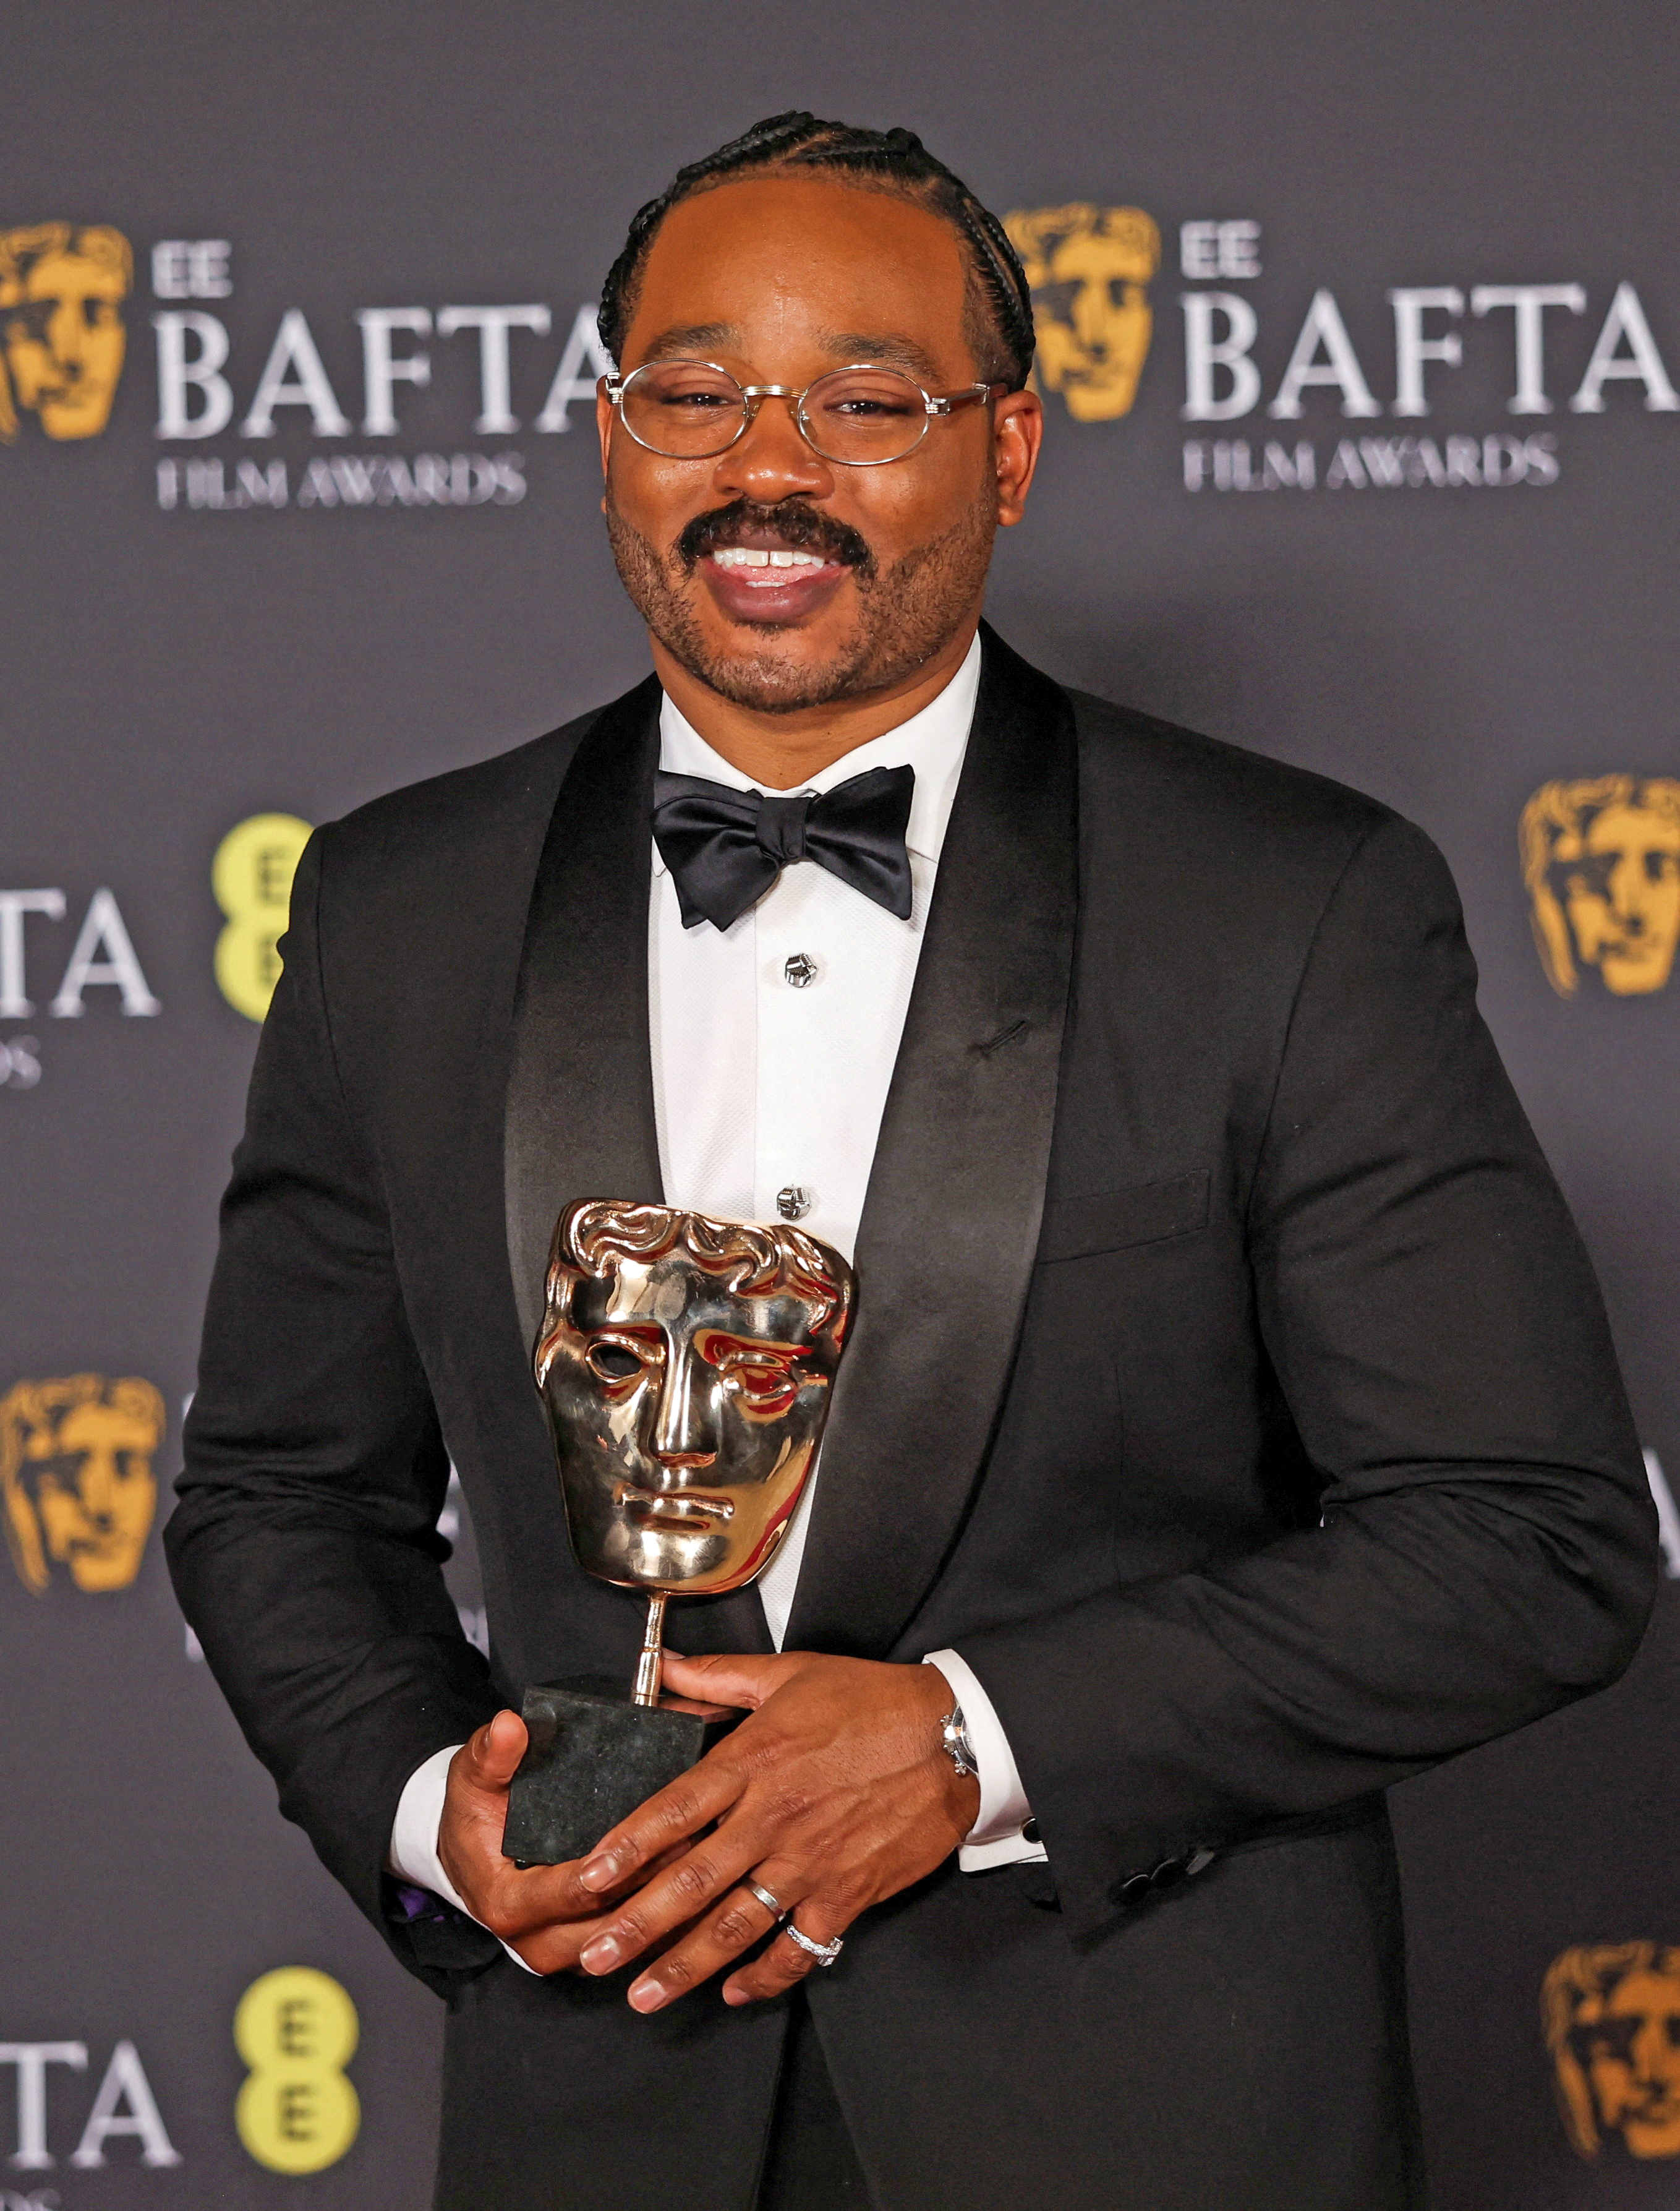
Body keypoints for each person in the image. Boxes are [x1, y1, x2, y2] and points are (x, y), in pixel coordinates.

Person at [168, 113, 1657, 2211]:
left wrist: (972, 1743)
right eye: (693, 393)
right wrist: (436, 1811)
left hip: (1152, 2117)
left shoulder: (1287, 903)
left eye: (867, 401)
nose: (768, 465)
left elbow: (1527, 1539)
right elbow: (276, 1496)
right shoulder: (398, 904)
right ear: (611, 434)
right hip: (600, 2107)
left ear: (1009, 449)